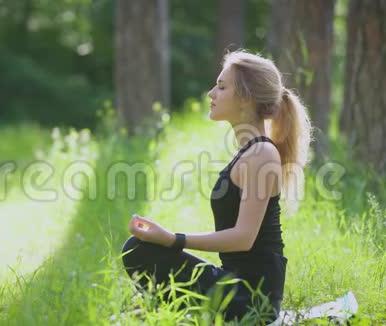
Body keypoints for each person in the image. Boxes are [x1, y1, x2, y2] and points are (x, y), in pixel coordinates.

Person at [120, 49, 312, 323]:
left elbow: (243, 238)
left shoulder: (261, 154)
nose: (211, 93)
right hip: (235, 285)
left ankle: (167, 313)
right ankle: (162, 312)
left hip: (254, 301)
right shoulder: (250, 152)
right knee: (139, 249)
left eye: (222, 87)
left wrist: (174, 240)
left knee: (139, 250)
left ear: (246, 98)